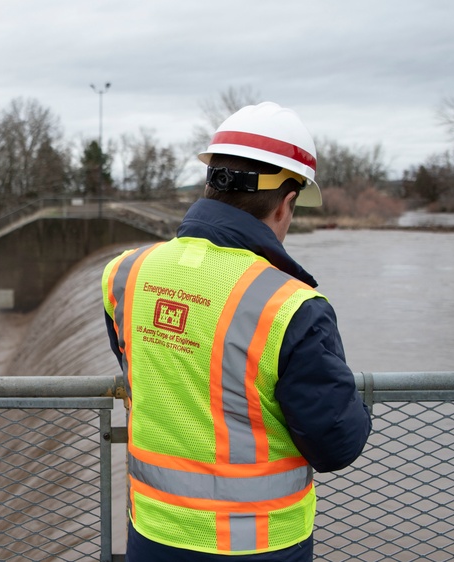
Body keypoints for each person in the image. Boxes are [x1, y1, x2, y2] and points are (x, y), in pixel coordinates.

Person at [101, 102, 372, 561]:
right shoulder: (292, 307)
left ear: (210, 184)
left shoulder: (125, 274)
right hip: (261, 545)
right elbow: (335, 443)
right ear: (287, 203)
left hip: (153, 533)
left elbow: (140, 363)